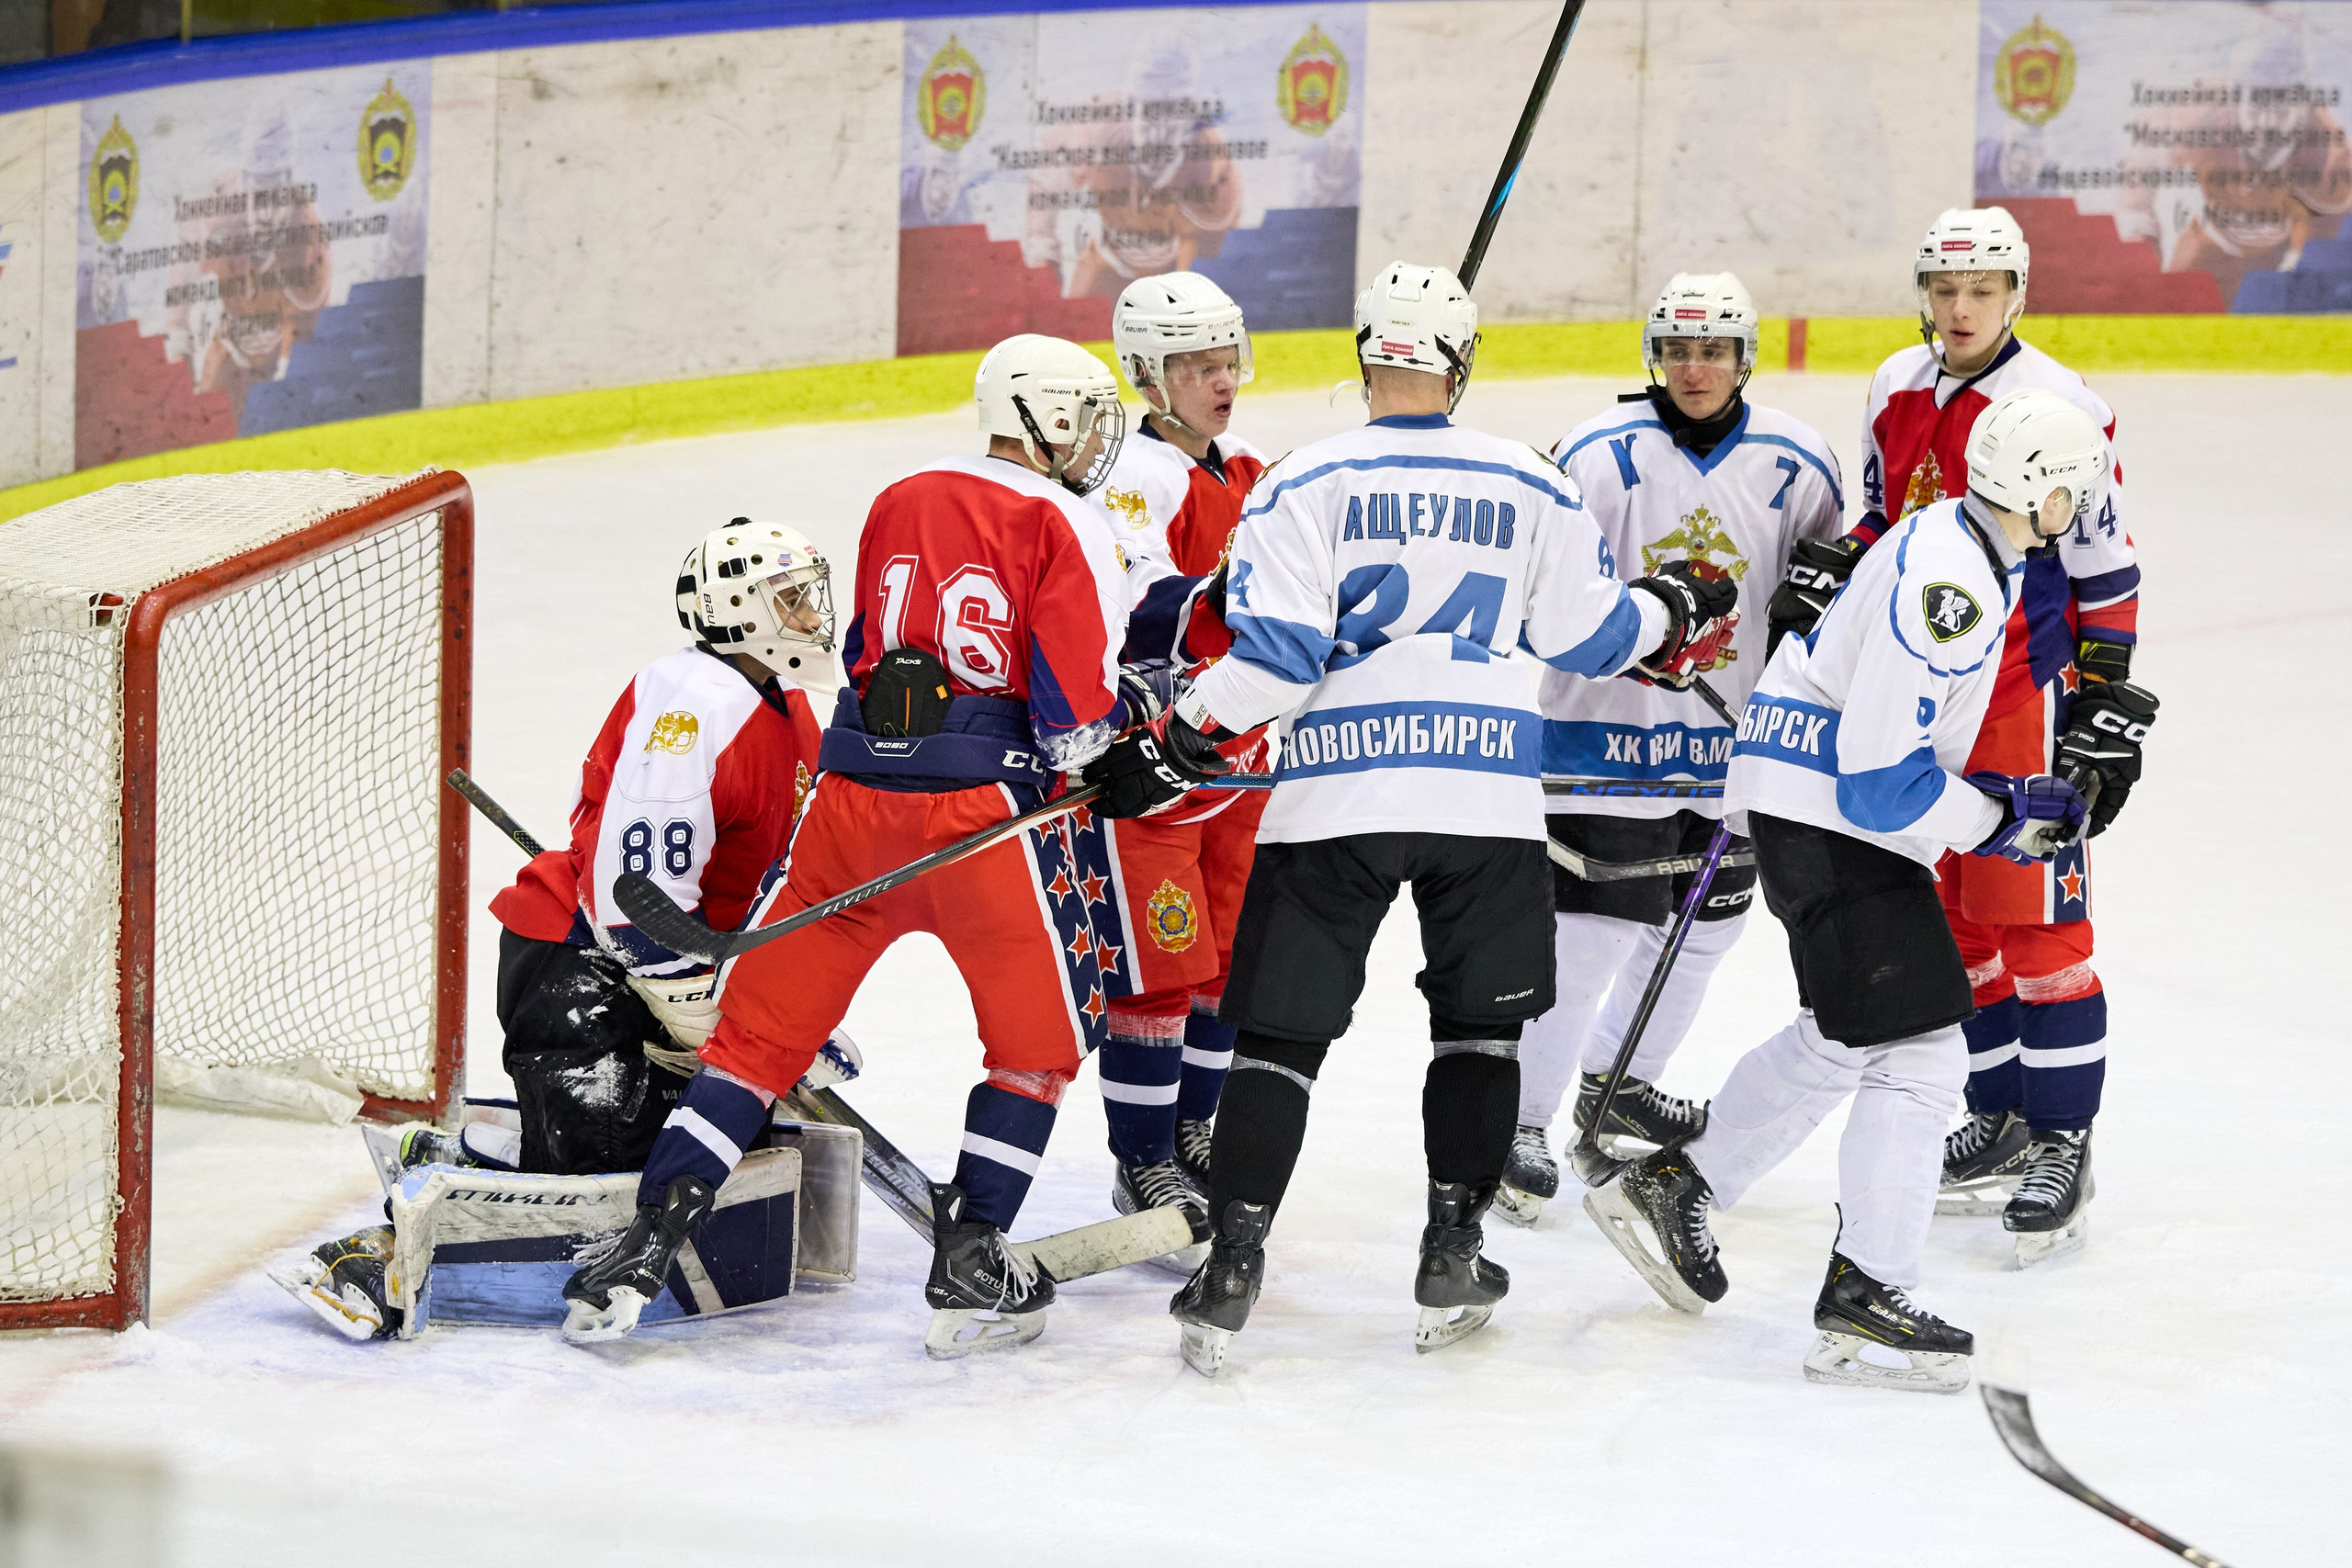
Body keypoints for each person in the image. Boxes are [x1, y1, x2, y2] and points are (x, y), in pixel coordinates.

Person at [561, 335, 1227, 1355]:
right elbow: (1071, 721)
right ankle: (973, 1257)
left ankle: (646, 1243)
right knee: (1035, 1052)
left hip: (852, 804)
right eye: (1084, 414)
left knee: (754, 1042)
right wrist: (1140, 727)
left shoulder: (898, 494)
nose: (1099, 436)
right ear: (1044, 417)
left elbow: (873, 656)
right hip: (991, 826)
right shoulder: (1069, 519)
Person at [1160, 261, 1738, 1375]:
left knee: (1278, 1043)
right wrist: (1678, 604)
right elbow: (1592, 641)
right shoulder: (1532, 480)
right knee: (1479, 1034)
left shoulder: (1298, 478)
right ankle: (1451, 1250)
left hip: (1334, 796)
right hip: (1483, 803)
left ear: (1363, 352)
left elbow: (1273, 656)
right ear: (1462, 362)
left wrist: (1179, 734)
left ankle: (1230, 1264)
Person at [1588, 388, 2103, 1393]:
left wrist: (1985, 796)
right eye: (2070, 491)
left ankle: (1676, 1184)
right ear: (2037, 491)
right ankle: (1868, 1294)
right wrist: (1998, 821)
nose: (2074, 511)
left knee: (1853, 1029)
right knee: (1920, 1054)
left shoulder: (1951, 536)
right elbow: (1879, 777)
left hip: (1808, 805)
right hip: (1834, 819)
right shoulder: (1954, 584)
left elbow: (1877, 734)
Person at [275, 521, 833, 1339]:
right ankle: (368, 1259)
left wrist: (778, 1000)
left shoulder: (785, 706)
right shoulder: (695, 702)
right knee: (601, 1195)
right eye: (789, 596)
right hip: (582, 971)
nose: (812, 612)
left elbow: (761, 884)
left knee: (682, 1153)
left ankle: (461, 1156)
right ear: (735, 609)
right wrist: (704, 1008)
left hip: (654, 971)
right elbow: (634, 901)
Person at [1766, 208, 2147, 1264]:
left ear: (2016, 293)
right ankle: (1999, 1118)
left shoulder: (2061, 406)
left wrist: (2105, 692)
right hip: (1923, 685)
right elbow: (1885, 523)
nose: (1961, 307)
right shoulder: (1894, 384)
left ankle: (2063, 1137)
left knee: (2035, 928)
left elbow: (2104, 566)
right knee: (1955, 921)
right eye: (1944, 286)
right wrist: (1832, 568)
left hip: (2019, 695)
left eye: (1981, 289)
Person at [1498, 273, 1843, 1225]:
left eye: (1715, 351)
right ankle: (1518, 1124)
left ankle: (1621, 1089)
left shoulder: (1799, 462)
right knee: (1593, 932)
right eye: (1679, 350)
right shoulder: (1594, 455)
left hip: (1738, 744)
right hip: (1602, 736)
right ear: (1655, 355)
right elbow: (1540, 597)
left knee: (1707, 922)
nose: (1695, 369)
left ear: (1745, 357)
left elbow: (1825, 600)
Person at [1078, 273, 1273, 1264]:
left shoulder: (1244, 469)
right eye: (1198, 365)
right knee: (1157, 967)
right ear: (1149, 374)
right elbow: (1132, 609)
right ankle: (1143, 1151)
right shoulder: (1134, 476)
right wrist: (1229, 586)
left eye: (1226, 358)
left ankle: (1195, 1125)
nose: (1220, 379)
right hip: (1157, 767)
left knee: (1226, 961)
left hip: (1241, 765)